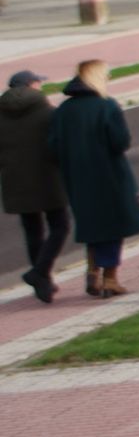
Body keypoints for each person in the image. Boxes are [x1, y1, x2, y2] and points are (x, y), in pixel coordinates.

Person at [47, 60, 139, 298]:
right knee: (115, 224)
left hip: (77, 177)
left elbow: (53, 146)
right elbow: (120, 141)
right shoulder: (106, 105)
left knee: (93, 224)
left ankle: (93, 270)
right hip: (109, 174)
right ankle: (110, 278)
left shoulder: (63, 110)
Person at [0, 69, 67, 303]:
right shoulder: (48, 111)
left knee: (32, 230)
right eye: (39, 82)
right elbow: (60, 143)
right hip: (49, 177)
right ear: (31, 85)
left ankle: (43, 284)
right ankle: (39, 272)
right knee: (60, 226)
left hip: (15, 180)